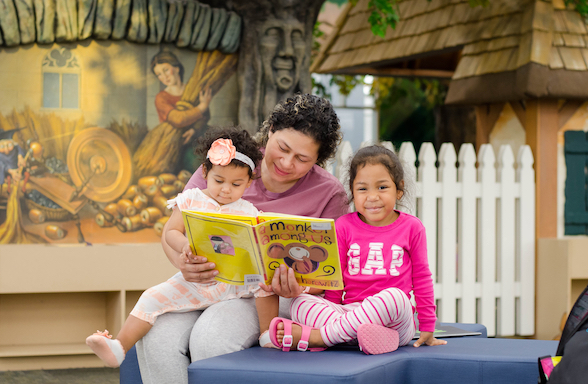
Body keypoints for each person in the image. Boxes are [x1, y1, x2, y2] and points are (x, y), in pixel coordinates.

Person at [135, 94, 349, 384]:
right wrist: (184, 265)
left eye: (302, 159)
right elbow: (172, 232)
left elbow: (333, 271)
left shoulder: (329, 193)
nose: (286, 163)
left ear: (318, 160)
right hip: (205, 285)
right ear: (270, 131)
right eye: (282, 148)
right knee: (154, 332)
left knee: (211, 337)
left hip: (270, 297)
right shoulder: (225, 164)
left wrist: (301, 287)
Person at [85, 126, 272, 367]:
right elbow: (172, 232)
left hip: (235, 286)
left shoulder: (247, 211)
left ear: (248, 184)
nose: (226, 189)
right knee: (150, 296)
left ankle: (268, 334)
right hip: (198, 281)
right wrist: (185, 245)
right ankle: (119, 347)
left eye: (236, 184)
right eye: (219, 180)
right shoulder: (192, 200)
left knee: (265, 283)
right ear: (205, 171)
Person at [268, 144, 448, 354]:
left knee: (395, 297)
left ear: (399, 190)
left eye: (382, 187)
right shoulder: (343, 226)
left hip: (394, 318)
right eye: (363, 189)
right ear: (352, 191)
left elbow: (422, 278)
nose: (372, 197)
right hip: (350, 312)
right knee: (299, 303)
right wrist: (330, 306)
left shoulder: (412, 227)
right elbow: (335, 279)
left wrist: (427, 325)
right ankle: (358, 337)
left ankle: (321, 337)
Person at [151, 50, 212, 173]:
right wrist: (202, 106)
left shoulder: (191, 90)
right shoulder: (161, 97)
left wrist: (194, 130)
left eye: (166, 70)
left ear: (177, 68)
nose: (164, 77)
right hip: (176, 144)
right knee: (193, 164)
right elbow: (178, 119)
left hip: (198, 136)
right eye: (159, 74)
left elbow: (205, 115)